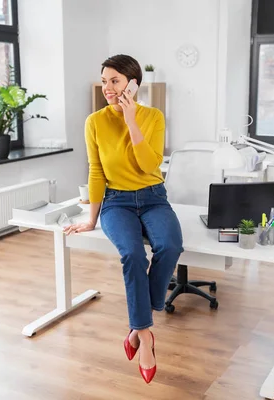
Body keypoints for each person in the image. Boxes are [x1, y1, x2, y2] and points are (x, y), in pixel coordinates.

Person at [63, 54, 183, 384]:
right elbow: (96, 170)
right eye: (104, 81)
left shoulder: (153, 117)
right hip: (117, 202)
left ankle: (137, 322)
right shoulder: (95, 122)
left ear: (133, 84)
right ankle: (144, 336)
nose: (107, 88)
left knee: (171, 246)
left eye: (114, 81)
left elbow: (149, 165)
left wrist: (131, 120)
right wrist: (91, 218)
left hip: (153, 196)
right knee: (131, 254)